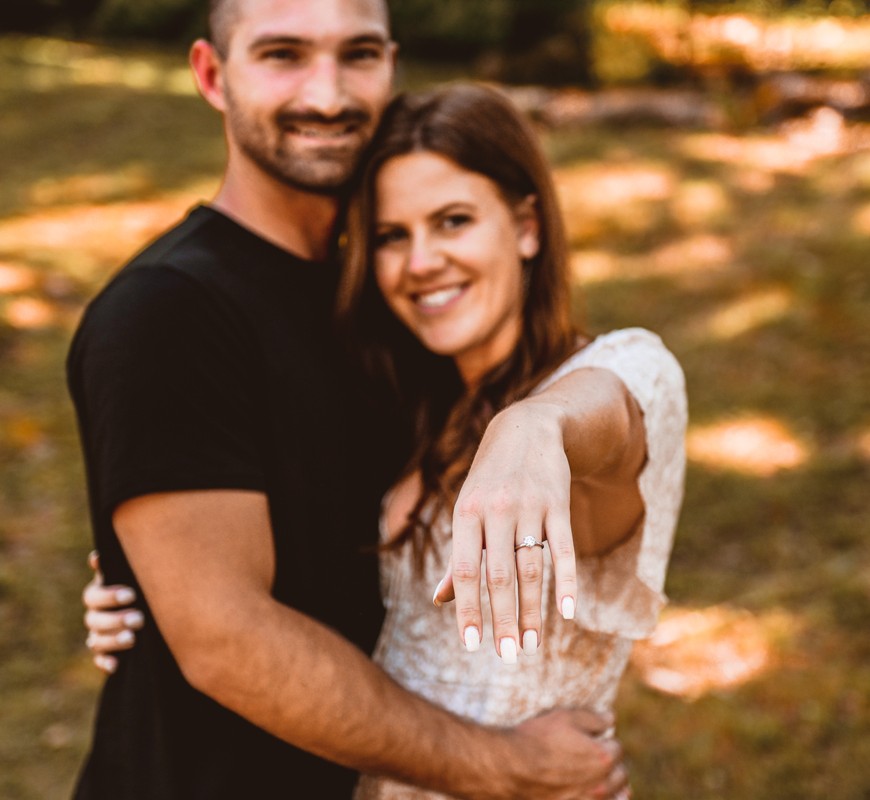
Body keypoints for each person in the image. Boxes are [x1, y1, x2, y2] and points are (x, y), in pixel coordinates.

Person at [66, 0, 644, 798]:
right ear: (211, 74)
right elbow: (226, 641)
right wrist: (507, 765)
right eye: (284, 55)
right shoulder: (167, 312)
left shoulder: (391, 296)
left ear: (392, 65)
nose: (328, 94)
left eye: (358, 54)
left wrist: (541, 427)